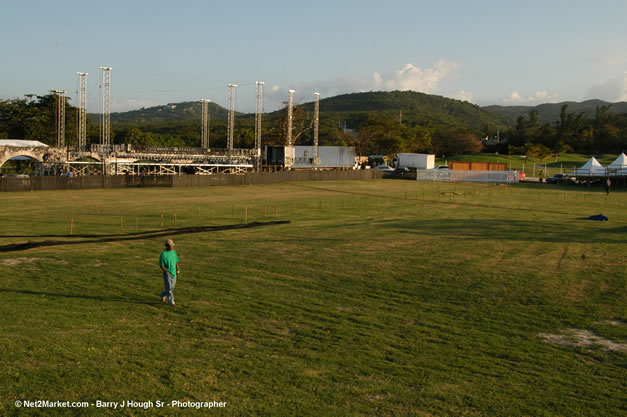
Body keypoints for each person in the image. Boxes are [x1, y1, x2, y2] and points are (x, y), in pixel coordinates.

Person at [159, 239, 180, 306]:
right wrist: (166, 272)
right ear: (167, 246)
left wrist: (178, 271)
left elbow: (176, 261)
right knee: (168, 288)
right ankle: (171, 302)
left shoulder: (174, 252)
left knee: (171, 288)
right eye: (171, 246)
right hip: (167, 274)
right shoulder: (163, 254)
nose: (173, 247)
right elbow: (161, 265)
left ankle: (162, 295)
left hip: (174, 273)